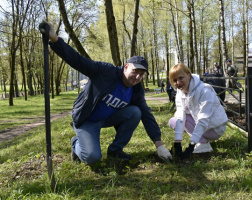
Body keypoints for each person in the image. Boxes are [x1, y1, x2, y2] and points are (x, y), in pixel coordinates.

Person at [39, 21, 172, 165]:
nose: (138, 77)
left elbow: (146, 115)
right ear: (126, 67)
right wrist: (55, 40)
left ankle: (115, 151)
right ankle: (76, 143)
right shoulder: (105, 71)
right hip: (87, 117)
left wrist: (159, 145)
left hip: (108, 117)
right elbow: (78, 61)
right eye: (135, 71)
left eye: (142, 74)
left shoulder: (136, 89)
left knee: (136, 112)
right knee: (92, 158)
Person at [168, 63, 228, 160]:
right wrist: (177, 142)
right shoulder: (180, 92)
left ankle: (203, 144)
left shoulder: (204, 90)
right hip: (202, 125)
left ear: (188, 75)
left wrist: (192, 144)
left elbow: (204, 118)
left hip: (215, 128)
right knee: (174, 121)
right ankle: (201, 139)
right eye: (174, 80)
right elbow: (180, 115)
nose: (178, 82)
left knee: (185, 120)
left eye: (180, 78)